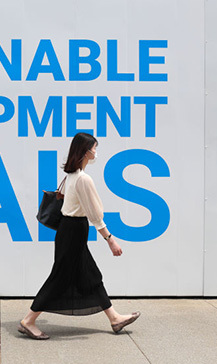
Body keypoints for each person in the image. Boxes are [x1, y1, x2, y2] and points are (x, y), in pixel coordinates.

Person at [19, 132, 140, 340]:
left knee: (90, 275)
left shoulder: (72, 176)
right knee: (60, 277)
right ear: (85, 152)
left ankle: (114, 318)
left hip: (70, 230)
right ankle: (28, 321)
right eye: (94, 148)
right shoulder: (83, 179)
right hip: (73, 231)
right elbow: (95, 215)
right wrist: (110, 239)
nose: (96, 152)